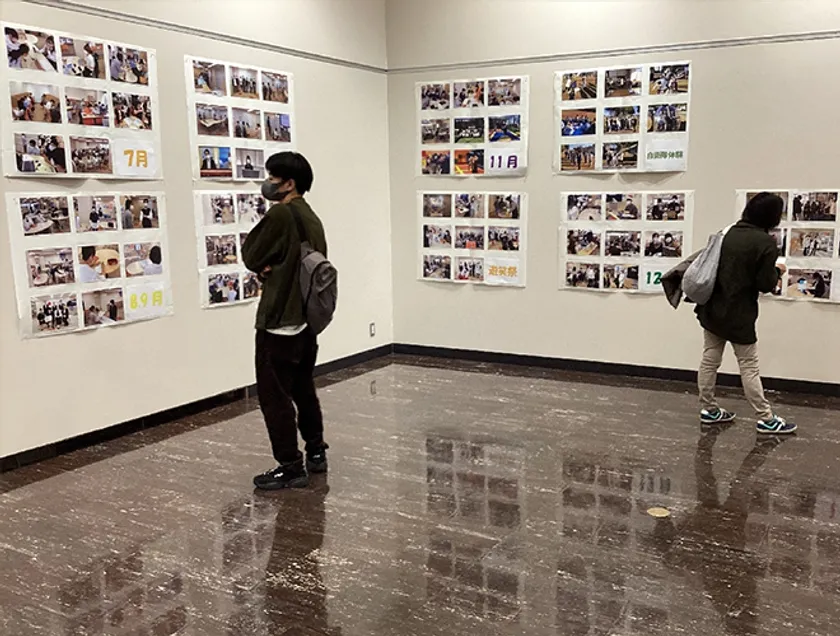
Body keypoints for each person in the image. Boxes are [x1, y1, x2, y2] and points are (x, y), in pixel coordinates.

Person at [242, 151, 329, 490]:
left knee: (274, 396)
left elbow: (252, 254)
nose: (268, 184)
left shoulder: (280, 214)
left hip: (279, 319)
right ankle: (316, 451)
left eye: (272, 178)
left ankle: (290, 465)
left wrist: (265, 267)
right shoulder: (312, 217)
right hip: (307, 321)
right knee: (304, 388)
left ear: (289, 183)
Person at [695, 192, 796, 434]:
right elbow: (765, 283)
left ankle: (708, 409)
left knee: (710, 359)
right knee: (749, 365)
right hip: (740, 314)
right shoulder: (765, 243)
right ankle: (766, 418)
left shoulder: (726, 233)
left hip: (713, 308)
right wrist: (778, 271)